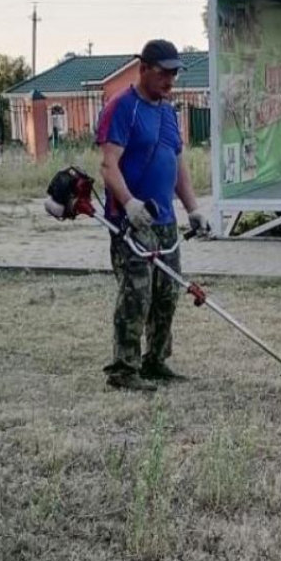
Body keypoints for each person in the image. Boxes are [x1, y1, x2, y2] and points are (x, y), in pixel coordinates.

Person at [96, 39, 210, 392]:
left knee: (166, 294)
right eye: (164, 73)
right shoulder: (122, 107)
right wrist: (129, 203)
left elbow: (177, 165)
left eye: (175, 73)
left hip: (164, 223)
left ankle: (156, 361)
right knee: (137, 295)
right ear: (143, 69)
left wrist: (193, 209)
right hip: (132, 221)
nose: (170, 80)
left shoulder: (168, 112)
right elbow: (108, 165)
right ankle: (123, 369)